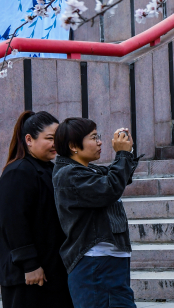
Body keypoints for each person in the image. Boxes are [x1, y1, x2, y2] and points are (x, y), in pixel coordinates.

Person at [0, 110, 74, 308]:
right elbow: (13, 223)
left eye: (59, 138)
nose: (56, 144)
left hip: (50, 270)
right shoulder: (18, 172)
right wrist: (30, 264)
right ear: (29, 139)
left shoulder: (48, 169)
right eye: (50, 138)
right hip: (27, 275)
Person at [53, 118, 140, 308]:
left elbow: (116, 178)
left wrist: (127, 153)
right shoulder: (69, 174)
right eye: (94, 137)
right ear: (74, 146)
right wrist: (122, 154)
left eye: (98, 136)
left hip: (106, 263)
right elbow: (109, 188)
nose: (100, 142)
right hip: (96, 265)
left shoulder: (84, 170)